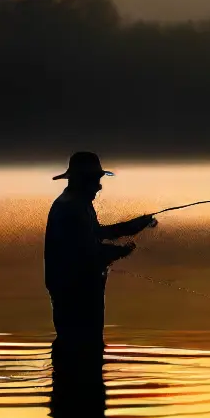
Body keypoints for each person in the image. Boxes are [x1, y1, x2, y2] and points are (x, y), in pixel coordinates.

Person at [44, 151, 155, 378]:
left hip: (75, 288)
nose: (99, 187)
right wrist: (120, 251)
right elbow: (85, 252)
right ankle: (80, 398)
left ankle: (69, 396)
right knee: (81, 346)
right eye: (95, 180)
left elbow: (97, 234)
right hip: (75, 291)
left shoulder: (76, 203)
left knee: (76, 345)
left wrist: (135, 225)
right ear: (81, 181)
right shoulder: (71, 208)